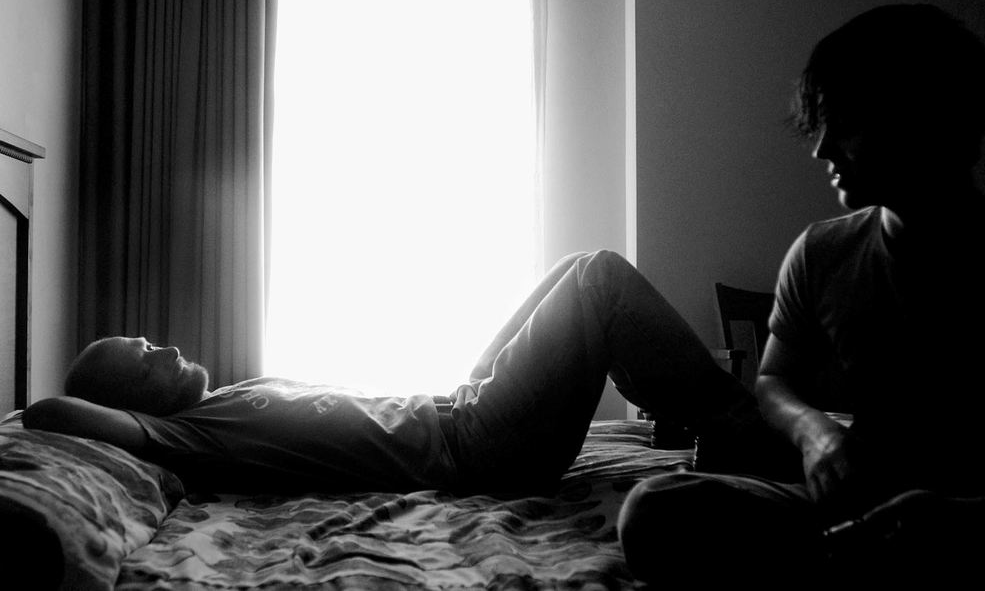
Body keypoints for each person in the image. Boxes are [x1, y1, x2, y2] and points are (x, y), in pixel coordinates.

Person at [617, 4, 985, 586]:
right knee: (653, 508)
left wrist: (959, 520)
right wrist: (817, 433)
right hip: (855, 508)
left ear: (922, 118)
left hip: (971, 524)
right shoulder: (822, 253)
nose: (820, 148)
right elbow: (774, 382)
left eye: (845, 122)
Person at [25, 249, 761, 496]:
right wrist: (111, 415)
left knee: (569, 271)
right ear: (131, 404)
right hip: (477, 450)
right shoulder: (184, 436)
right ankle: (740, 425)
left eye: (148, 339)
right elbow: (47, 415)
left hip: (457, 408)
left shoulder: (228, 396)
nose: (160, 347)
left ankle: (674, 404)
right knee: (599, 279)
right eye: (142, 358)